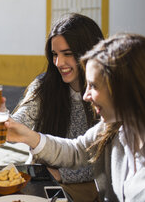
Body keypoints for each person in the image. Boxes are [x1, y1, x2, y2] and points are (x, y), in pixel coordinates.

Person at [6, 33, 145, 202]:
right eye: (55, 54)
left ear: (124, 88)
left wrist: (62, 174)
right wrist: (28, 136)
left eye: (93, 86)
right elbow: (77, 151)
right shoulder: (114, 126)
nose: (85, 95)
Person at [11, 13, 104, 201]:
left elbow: (104, 163)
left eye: (67, 54)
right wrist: (5, 122)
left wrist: (63, 175)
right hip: (43, 181)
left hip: (86, 187)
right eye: (55, 54)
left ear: (89, 51)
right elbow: (23, 118)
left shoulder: (106, 94)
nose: (59, 63)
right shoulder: (45, 86)